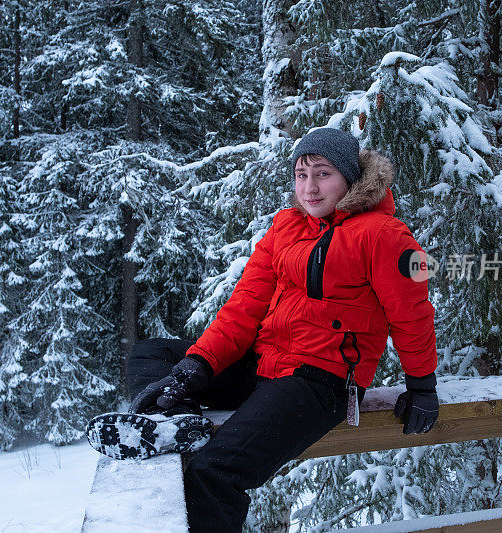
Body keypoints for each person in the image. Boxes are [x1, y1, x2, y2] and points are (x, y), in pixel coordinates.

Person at [88, 127, 439, 532]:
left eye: (322, 174)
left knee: (214, 473)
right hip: (264, 364)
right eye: (301, 175)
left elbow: (413, 313)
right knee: (154, 353)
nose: (309, 187)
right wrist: (199, 365)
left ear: (350, 178)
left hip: (319, 380)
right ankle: (176, 423)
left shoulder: (387, 234)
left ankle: (182, 430)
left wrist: (422, 385)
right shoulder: (286, 227)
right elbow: (244, 306)